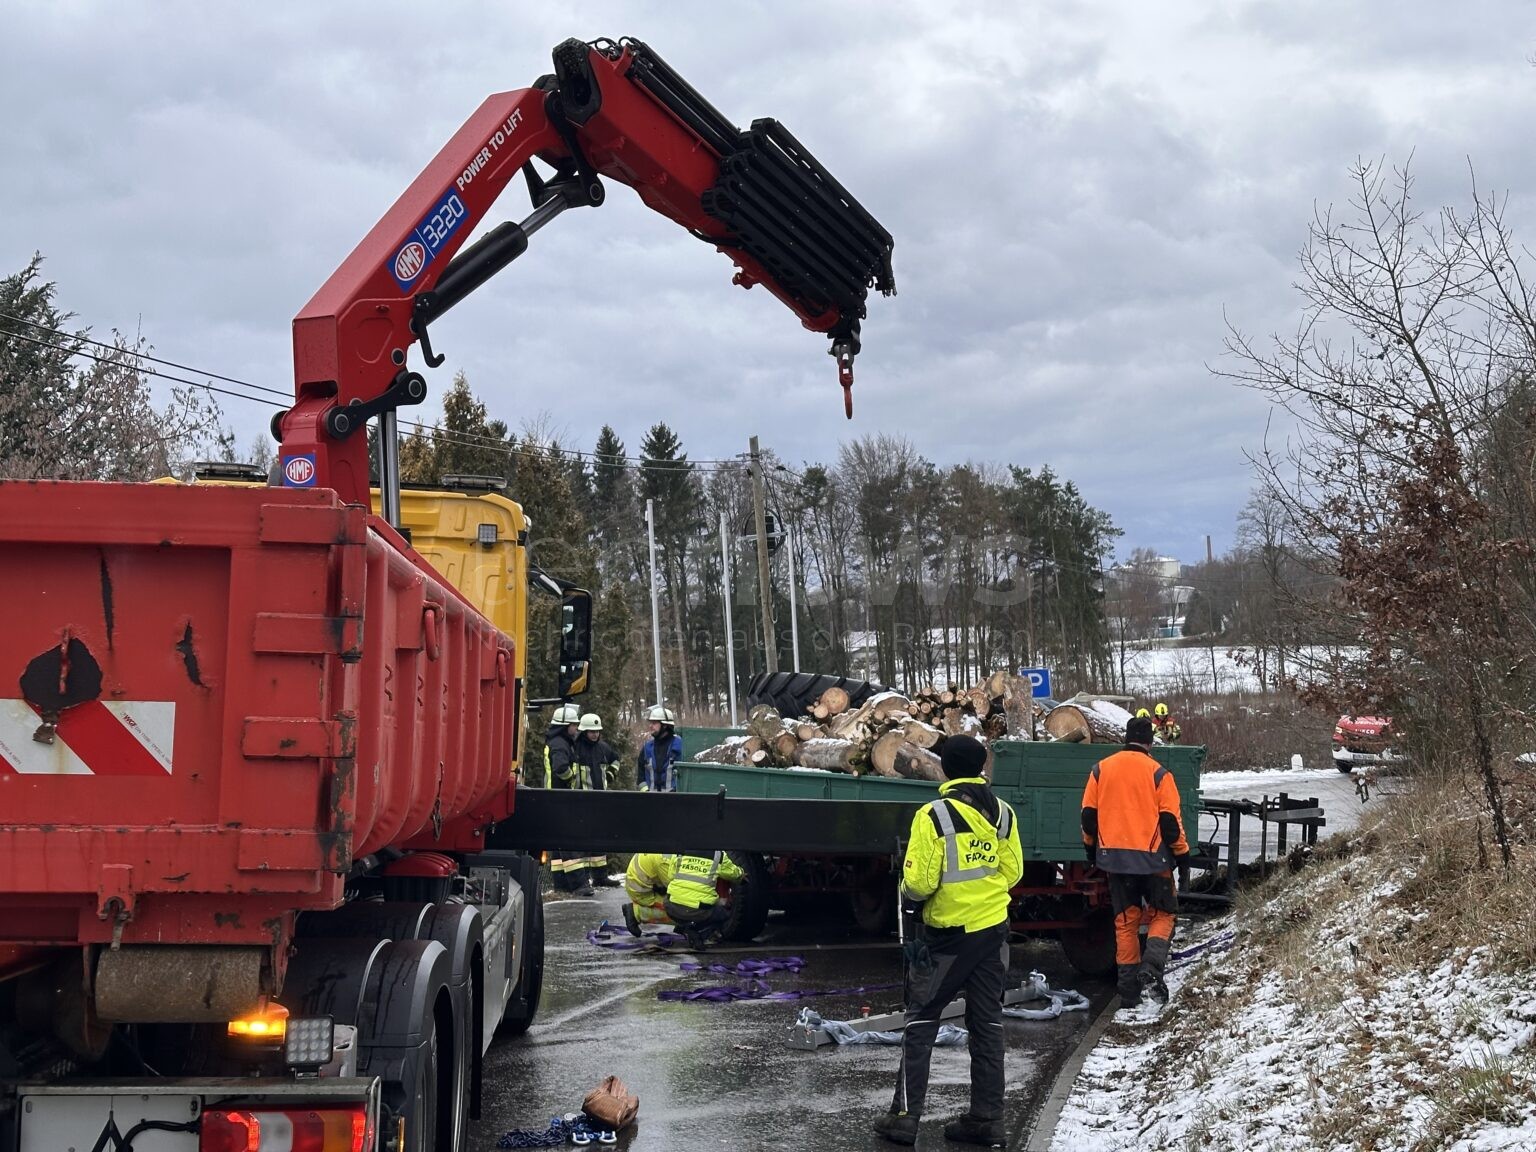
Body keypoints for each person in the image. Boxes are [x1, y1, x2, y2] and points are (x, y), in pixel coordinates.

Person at [875, 735, 1022, 1149]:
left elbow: (920, 884)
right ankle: (987, 1120)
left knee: (921, 1020)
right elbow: (1012, 874)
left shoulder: (934, 815)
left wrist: (907, 886)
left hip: (947, 939)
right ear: (980, 768)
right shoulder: (1004, 814)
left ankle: (905, 1118)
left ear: (945, 768)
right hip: (992, 934)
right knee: (988, 1025)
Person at [1080, 715, 1191, 1009]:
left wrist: (1092, 850)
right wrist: (1182, 853)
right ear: (1150, 742)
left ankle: (1128, 992)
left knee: (1126, 921)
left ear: (1124, 739)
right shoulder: (1159, 773)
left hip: (1113, 860)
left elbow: (1088, 817)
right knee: (1164, 913)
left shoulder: (1100, 770)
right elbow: (1170, 822)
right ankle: (1152, 968)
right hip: (1154, 860)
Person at [543, 704, 593, 895]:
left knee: (558, 845)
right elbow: (561, 768)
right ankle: (579, 885)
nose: (576, 728)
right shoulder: (560, 744)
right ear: (565, 726)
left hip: (554, 799)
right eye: (573, 725)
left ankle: (561, 884)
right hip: (560, 798)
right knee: (569, 841)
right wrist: (572, 777)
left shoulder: (557, 742)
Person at [662, 849, 744, 950]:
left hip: (671, 907)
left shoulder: (681, 851)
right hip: (699, 910)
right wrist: (742, 875)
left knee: (682, 905)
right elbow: (733, 874)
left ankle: (684, 926)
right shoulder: (718, 855)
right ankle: (697, 934)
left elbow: (671, 875)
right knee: (724, 914)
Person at [621, 851, 676, 936]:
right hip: (642, 892)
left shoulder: (669, 849)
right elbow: (677, 891)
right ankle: (637, 913)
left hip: (645, 884)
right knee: (685, 911)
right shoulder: (665, 860)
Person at [637, 705, 684, 792]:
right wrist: (646, 792)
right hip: (651, 802)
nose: (650, 726)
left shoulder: (679, 746)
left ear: (665, 725)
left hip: (675, 801)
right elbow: (640, 776)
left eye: (654, 723)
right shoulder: (647, 748)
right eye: (650, 723)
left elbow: (686, 776)